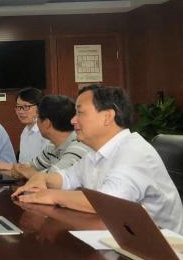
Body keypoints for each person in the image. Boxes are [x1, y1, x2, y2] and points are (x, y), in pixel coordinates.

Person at [11, 85, 183, 233]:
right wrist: (43, 178)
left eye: (80, 113)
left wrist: (52, 196)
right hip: (120, 236)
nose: (73, 120)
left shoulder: (134, 153)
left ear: (107, 116)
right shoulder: (96, 152)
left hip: (162, 251)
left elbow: (106, 203)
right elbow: (68, 177)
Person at [11, 95, 91, 179]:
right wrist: (22, 170)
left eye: (37, 118)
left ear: (46, 123)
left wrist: (26, 172)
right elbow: (32, 166)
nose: (36, 122)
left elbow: (52, 180)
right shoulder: (52, 146)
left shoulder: (78, 147)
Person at [0, 87, 49, 170]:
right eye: (18, 107)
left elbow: (43, 167)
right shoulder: (25, 131)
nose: (20, 111)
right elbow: (22, 164)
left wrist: (7, 166)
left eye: (26, 107)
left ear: (39, 108)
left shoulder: (47, 132)